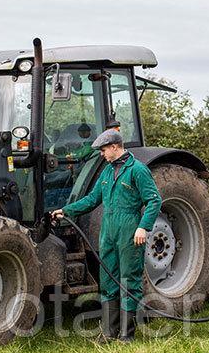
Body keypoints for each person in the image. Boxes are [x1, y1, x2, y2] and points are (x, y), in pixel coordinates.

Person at [51, 129, 161, 342]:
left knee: (129, 279)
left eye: (103, 150)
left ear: (114, 147)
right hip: (108, 230)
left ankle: (126, 334)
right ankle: (109, 333)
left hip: (129, 228)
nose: (102, 154)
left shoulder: (137, 170)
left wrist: (143, 227)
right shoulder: (107, 172)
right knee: (108, 280)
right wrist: (66, 210)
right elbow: (92, 200)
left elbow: (154, 200)